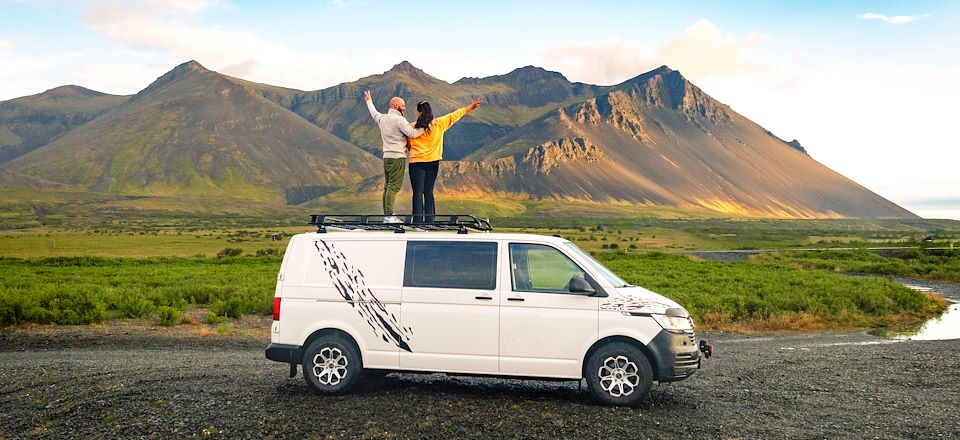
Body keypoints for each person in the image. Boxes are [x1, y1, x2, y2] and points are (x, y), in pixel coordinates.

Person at [407, 98, 481, 223]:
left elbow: (407, 143)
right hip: (432, 162)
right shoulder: (439, 123)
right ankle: (430, 220)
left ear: (418, 112)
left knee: (418, 192)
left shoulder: (411, 127)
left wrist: (412, 150)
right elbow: (455, 115)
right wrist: (470, 107)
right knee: (428, 191)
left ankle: (417, 221)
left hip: (416, 162)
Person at [364, 90, 423, 223]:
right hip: (398, 158)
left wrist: (369, 100)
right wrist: (424, 127)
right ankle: (390, 216)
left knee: (387, 186)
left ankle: (387, 215)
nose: (405, 108)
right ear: (396, 106)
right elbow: (412, 134)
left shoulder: (382, 118)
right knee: (393, 187)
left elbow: (373, 113)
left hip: (387, 157)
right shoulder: (399, 120)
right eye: (403, 105)